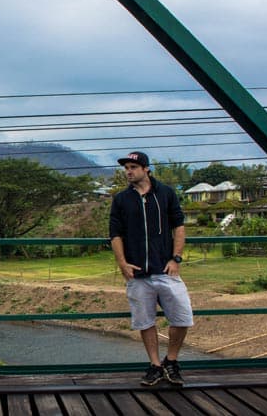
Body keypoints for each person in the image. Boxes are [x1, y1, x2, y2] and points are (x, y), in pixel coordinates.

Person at [109, 151, 193, 386]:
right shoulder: (121, 199)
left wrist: (176, 258)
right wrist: (122, 263)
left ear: (146, 169)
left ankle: (171, 361)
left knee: (183, 317)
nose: (128, 171)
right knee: (145, 322)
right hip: (137, 274)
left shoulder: (165, 193)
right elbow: (115, 234)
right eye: (126, 168)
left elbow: (179, 226)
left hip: (166, 270)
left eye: (133, 167)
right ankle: (155, 365)